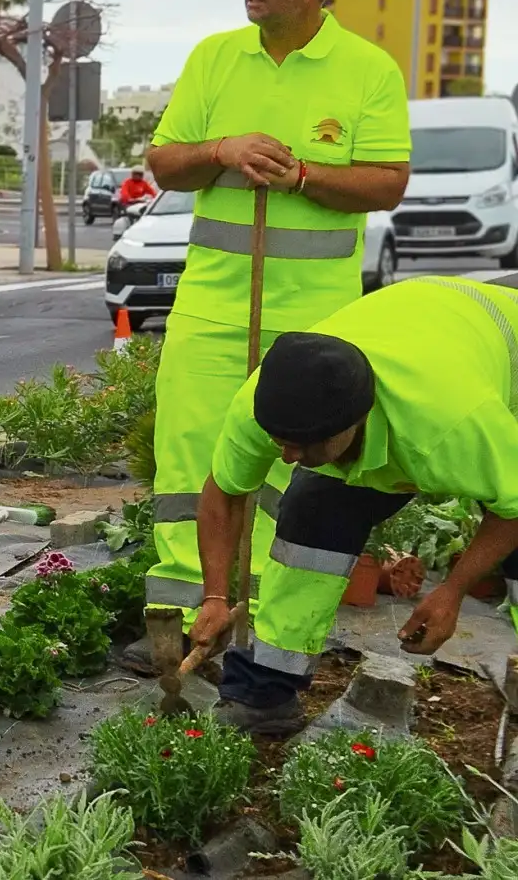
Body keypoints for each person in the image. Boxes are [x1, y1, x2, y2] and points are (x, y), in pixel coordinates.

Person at [133, 0, 411, 674]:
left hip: (310, 320)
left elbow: (387, 180)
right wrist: (222, 149)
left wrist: (302, 176)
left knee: (294, 476)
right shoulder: (215, 58)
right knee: (190, 463)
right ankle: (181, 620)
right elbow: (165, 161)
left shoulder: (366, 70)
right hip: (210, 306)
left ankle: (267, 642)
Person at [188, 277, 518, 734]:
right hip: (417, 327)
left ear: (354, 422)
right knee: (313, 512)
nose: (286, 457)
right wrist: (215, 596)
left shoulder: (449, 426)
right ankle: (265, 691)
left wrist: (453, 590)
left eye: (301, 444)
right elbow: (223, 494)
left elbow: (515, 508)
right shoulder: (264, 405)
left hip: (500, 351)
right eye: (279, 442)